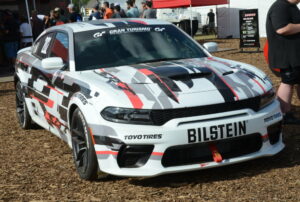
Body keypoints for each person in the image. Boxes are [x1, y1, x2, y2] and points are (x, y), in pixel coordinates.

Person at [266, 0, 300, 124]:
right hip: (286, 56)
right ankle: (284, 114)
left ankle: (286, 113)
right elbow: (281, 28)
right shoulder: (280, 6)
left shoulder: (291, 6)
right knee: (287, 83)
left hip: (294, 55)